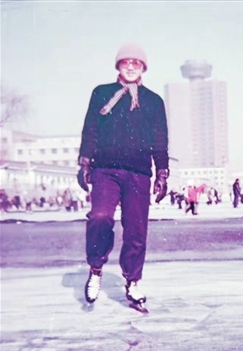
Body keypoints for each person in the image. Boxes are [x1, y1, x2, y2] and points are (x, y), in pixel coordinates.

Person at [77, 42, 169, 313]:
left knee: (136, 229)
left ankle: (132, 281)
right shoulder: (101, 93)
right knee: (100, 217)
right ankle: (96, 269)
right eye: (126, 62)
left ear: (143, 68)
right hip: (105, 169)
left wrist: (162, 172)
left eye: (136, 63)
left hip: (139, 173)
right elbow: (90, 129)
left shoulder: (153, 101)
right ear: (118, 66)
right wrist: (85, 162)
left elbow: (160, 140)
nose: (130, 66)